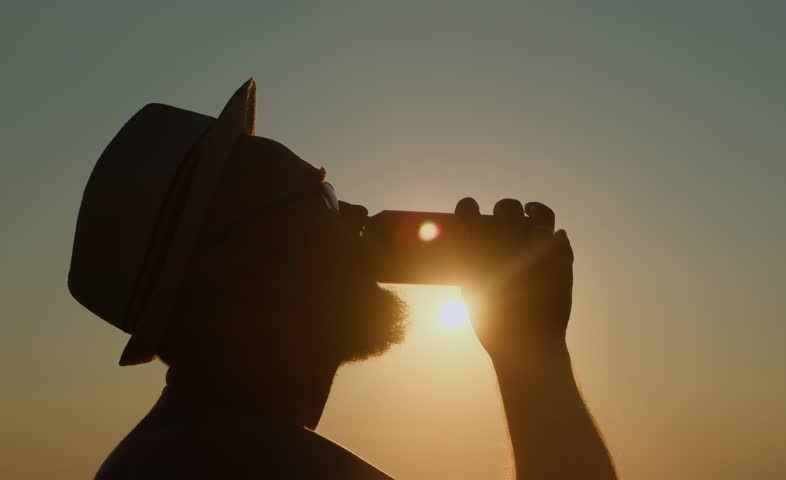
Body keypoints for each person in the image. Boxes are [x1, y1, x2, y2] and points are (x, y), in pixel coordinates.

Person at [69, 80, 617, 479]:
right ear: (247, 266)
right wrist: (533, 354)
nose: (356, 211)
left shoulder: (174, 453)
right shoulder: (238, 462)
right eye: (322, 199)